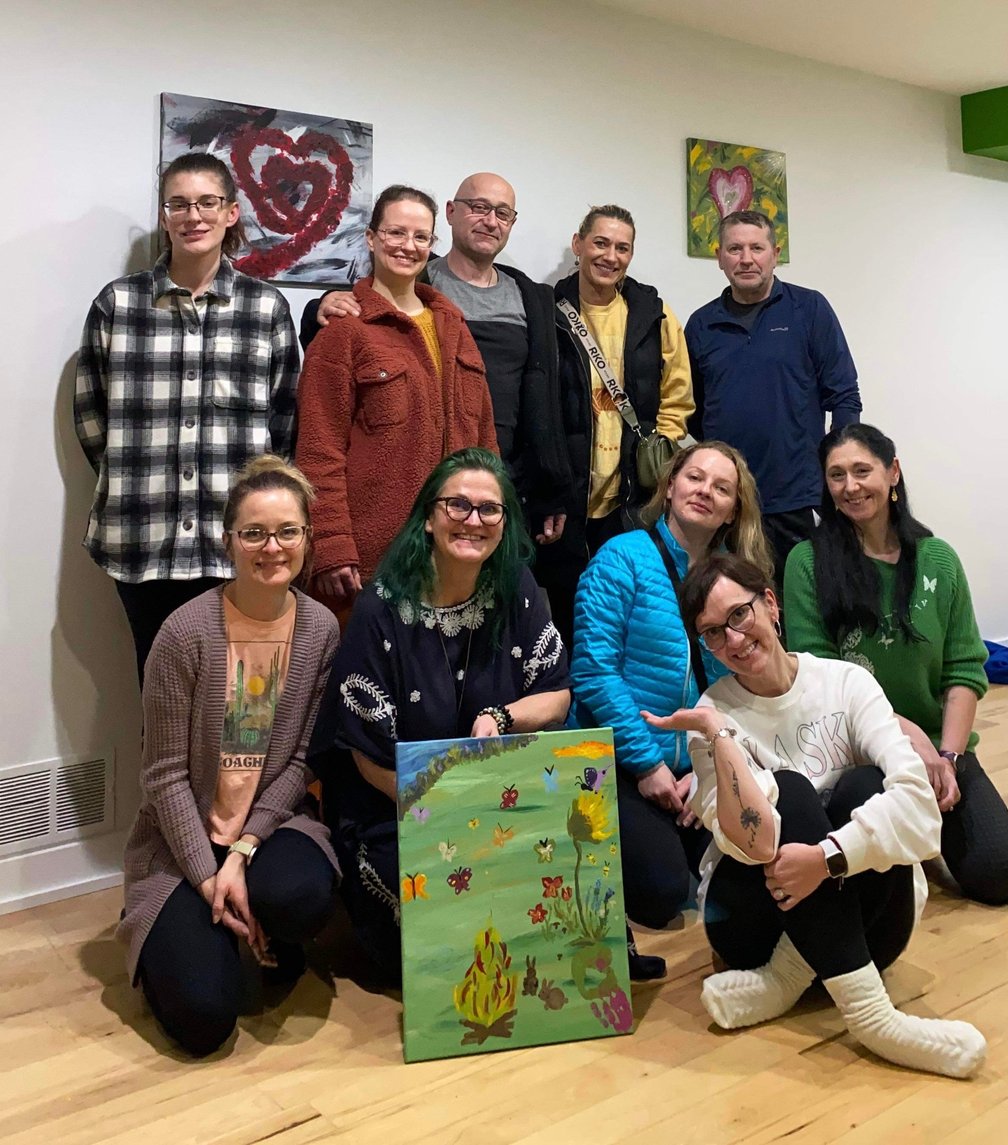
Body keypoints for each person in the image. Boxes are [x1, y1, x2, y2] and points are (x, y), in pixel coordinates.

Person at [643, 552, 987, 1078]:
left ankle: (787, 979)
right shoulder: (711, 714)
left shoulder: (845, 682)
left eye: (739, 615)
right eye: (712, 633)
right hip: (752, 928)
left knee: (866, 785)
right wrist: (720, 735)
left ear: (771, 604)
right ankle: (872, 1017)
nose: (733, 639)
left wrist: (827, 859)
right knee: (791, 793)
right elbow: (755, 844)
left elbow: (919, 807)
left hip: (876, 925)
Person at [307, 448, 570, 985]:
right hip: (398, 806)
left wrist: (501, 716)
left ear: (504, 523)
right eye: (458, 505)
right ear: (429, 517)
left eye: (489, 509)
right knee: (430, 950)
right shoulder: (380, 609)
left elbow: (557, 695)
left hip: (497, 798)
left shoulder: (518, 588)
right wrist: (453, 814)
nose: (473, 520)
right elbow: (367, 758)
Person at [116, 456, 340, 1057]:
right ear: (228, 541)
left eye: (287, 531)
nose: (272, 547)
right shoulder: (183, 632)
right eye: (254, 533)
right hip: (183, 838)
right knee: (203, 1021)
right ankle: (199, 927)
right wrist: (210, 875)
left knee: (301, 898)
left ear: (307, 538)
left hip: (270, 827)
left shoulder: (321, 629)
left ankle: (266, 923)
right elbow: (163, 776)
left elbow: (302, 761)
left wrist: (243, 851)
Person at [75, 152, 300, 685]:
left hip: (238, 546)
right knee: (162, 698)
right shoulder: (118, 305)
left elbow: (285, 423)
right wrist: (133, 477)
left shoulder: (266, 309)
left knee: (240, 702)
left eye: (206, 202)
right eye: (178, 204)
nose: (192, 216)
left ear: (231, 212)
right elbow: (91, 417)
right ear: (164, 215)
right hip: (141, 536)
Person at [784, 423, 1008, 905]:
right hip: (859, 753)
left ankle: (921, 828)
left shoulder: (938, 559)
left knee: (1001, 874)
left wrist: (949, 758)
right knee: (878, 881)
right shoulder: (806, 563)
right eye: (836, 475)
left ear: (893, 472)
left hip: (939, 749)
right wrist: (911, 744)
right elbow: (825, 682)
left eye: (862, 470)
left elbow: (964, 668)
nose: (850, 486)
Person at [571, 442, 772, 968]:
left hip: (696, 766)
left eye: (721, 487)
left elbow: (744, 685)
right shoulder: (622, 557)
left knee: (743, 866)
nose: (705, 491)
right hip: (621, 758)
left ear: (734, 510)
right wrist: (647, 764)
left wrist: (706, 771)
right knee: (663, 894)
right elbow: (593, 670)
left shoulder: (737, 580)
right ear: (670, 485)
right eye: (695, 477)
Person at [305, 172, 572, 546]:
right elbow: (325, 427)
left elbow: (546, 401)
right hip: (396, 506)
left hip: (490, 493)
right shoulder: (414, 282)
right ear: (451, 212)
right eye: (478, 207)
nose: (490, 221)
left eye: (502, 213)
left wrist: (551, 487)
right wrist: (321, 305)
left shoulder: (527, 299)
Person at [295, 185, 498, 615]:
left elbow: (485, 440)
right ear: (371, 238)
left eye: (421, 236)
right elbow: (318, 450)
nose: (408, 246)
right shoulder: (343, 332)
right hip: (372, 559)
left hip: (455, 550)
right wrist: (331, 543)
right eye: (396, 233)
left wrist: (494, 522)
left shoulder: (454, 328)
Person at [539, 204, 695, 652]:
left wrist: (658, 449)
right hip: (567, 497)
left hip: (630, 496)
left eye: (622, 248)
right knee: (568, 616)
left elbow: (678, 391)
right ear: (578, 245)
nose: (610, 256)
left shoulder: (653, 313)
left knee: (630, 611)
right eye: (601, 243)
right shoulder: (546, 310)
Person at [684, 210, 861, 580]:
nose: (746, 259)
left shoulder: (809, 309)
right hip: (727, 501)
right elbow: (692, 409)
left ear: (775, 254)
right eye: (735, 249)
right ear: (719, 257)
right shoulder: (701, 324)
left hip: (798, 497)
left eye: (756, 248)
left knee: (802, 601)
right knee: (734, 601)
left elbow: (844, 396)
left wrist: (838, 469)